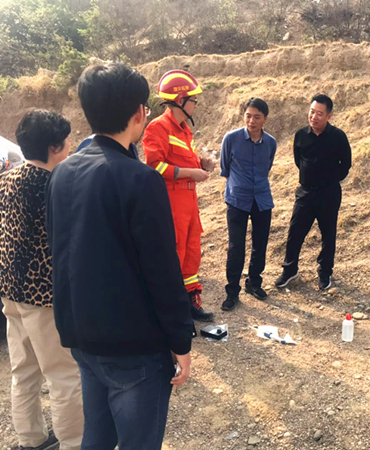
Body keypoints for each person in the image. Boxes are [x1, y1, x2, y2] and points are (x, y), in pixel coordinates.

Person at [46, 63, 196, 449]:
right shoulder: (140, 180)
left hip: (82, 335)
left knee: (96, 437)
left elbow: (59, 252)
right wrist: (181, 340)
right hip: (133, 347)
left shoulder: (63, 173)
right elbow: (162, 271)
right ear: (139, 113)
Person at [0, 110, 83, 450]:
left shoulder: (7, 179)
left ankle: (30, 439)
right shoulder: (54, 185)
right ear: (53, 147)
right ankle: (75, 442)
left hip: (10, 289)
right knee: (63, 375)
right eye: (66, 141)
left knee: (24, 371)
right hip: (44, 295)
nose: (70, 146)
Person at [142, 69, 214, 322]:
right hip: (171, 203)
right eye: (193, 99)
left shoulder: (184, 129)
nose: (196, 104)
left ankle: (190, 301)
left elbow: (183, 161)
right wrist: (191, 173)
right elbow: (154, 167)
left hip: (189, 202)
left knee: (191, 251)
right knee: (174, 253)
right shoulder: (158, 128)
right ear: (180, 100)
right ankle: (170, 309)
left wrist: (202, 164)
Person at [275, 94, 352, 291]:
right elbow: (298, 160)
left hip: (329, 193)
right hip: (306, 192)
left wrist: (330, 179)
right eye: (312, 112)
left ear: (329, 116)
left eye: (319, 113)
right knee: (295, 231)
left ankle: (325, 272)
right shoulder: (301, 135)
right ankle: (289, 270)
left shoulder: (338, 137)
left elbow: (345, 164)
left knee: (328, 233)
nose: (314, 117)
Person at [220, 98, 277, 311]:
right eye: (248, 116)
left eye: (257, 117)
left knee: (260, 244)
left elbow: (267, 166)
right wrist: (238, 185)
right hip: (237, 199)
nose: (251, 121)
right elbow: (225, 168)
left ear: (265, 119)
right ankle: (232, 291)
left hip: (262, 199)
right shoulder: (231, 139)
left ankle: (254, 283)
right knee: (236, 246)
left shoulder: (270, 142)